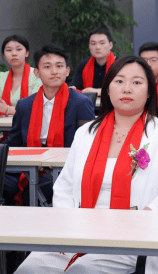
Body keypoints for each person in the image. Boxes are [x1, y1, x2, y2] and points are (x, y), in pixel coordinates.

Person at [14, 56, 158, 274]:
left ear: (149, 91)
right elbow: (64, 187)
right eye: (119, 81)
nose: (127, 89)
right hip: (79, 232)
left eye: (137, 82)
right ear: (107, 89)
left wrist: (142, 221)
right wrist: (70, 225)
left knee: (84, 270)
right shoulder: (86, 133)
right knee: (30, 268)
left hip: (137, 236)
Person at [3, 44, 95, 205]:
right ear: (37, 73)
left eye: (59, 66)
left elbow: (88, 144)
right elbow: (13, 143)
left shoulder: (81, 103)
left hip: (65, 169)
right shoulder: (24, 105)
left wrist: (51, 160)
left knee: (36, 191)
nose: (54, 71)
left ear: (67, 71)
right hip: (28, 168)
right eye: (47, 67)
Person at [0, 35, 42, 118]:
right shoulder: (1, 77)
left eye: (19, 49)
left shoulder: (37, 75)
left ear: (27, 53)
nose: (14, 54)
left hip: (30, 124)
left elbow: (37, 107)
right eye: (9, 50)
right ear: (4, 55)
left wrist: (8, 109)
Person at [70, 27, 116, 95]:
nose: (97, 47)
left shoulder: (120, 65)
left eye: (102, 43)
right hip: (88, 101)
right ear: (89, 46)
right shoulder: (83, 65)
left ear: (110, 45)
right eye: (93, 44)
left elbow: (122, 89)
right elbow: (75, 89)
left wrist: (98, 91)